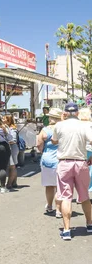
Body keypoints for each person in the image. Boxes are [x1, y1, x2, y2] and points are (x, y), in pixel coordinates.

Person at [52, 102, 92, 240]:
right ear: (77, 113)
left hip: (64, 162)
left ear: (65, 113)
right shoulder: (84, 125)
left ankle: (67, 230)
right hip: (80, 162)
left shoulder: (59, 125)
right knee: (84, 195)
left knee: (65, 196)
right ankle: (89, 223)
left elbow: (54, 141)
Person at [37, 107, 62, 217]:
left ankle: (50, 205)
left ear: (50, 118)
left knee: (49, 185)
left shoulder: (45, 130)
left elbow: (39, 144)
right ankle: (58, 209)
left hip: (47, 159)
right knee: (59, 186)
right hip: (60, 159)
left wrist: (43, 151)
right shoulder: (62, 129)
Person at [3, 115, 19, 189]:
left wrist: (5, 141)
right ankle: (14, 182)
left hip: (12, 148)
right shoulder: (8, 127)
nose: (3, 119)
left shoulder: (12, 129)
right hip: (11, 148)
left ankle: (9, 184)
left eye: (4, 118)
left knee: (12, 167)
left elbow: (13, 140)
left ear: (8, 120)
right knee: (12, 166)